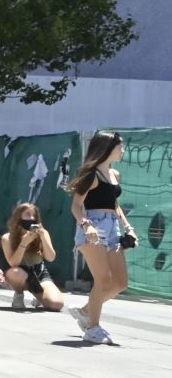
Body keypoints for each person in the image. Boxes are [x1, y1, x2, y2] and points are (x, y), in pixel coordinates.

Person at [69, 130, 137, 346]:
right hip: (94, 226)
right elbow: (76, 206)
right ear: (108, 149)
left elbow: (114, 204)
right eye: (119, 146)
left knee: (120, 282)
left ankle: (85, 312)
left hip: (113, 226)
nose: (122, 150)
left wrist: (128, 228)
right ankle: (92, 328)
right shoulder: (91, 175)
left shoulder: (114, 174)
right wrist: (86, 225)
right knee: (104, 281)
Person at [0, 203, 64, 313]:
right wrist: (24, 243)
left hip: (39, 271)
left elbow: (51, 258)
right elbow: (13, 263)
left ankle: (39, 296)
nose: (32, 218)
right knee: (15, 272)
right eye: (28, 214)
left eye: (34, 215)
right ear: (19, 216)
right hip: (20, 272)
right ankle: (19, 294)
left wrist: (43, 237)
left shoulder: (43, 233)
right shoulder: (7, 237)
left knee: (56, 304)